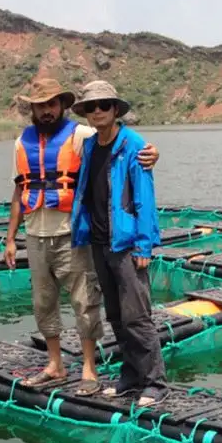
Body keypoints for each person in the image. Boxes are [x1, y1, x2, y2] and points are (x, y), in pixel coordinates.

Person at [4, 78, 159, 395]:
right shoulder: (25, 143)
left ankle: (110, 373)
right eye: (40, 105)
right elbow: (19, 189)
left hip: (78, 235)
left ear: (62, 106)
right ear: (31, 109)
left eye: (52, 104)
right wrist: (10, 238)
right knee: (49, 303)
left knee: (96, 304)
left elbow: (135, 164)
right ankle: (58, 365)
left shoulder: (84, 135)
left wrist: (153, 153)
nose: (46, 111)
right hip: (49, 233)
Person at [70, 81, 169, 408]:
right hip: (100, 241)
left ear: (115, 110)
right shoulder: (89, 145)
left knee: (137, 316)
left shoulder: (133, 145)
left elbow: (144, 198)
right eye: (91, 107)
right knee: (115, 314)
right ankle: (130, 376)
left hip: (127, 244)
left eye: (103, 105)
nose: (97, 111)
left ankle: (155, 381)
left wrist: (144, 245)